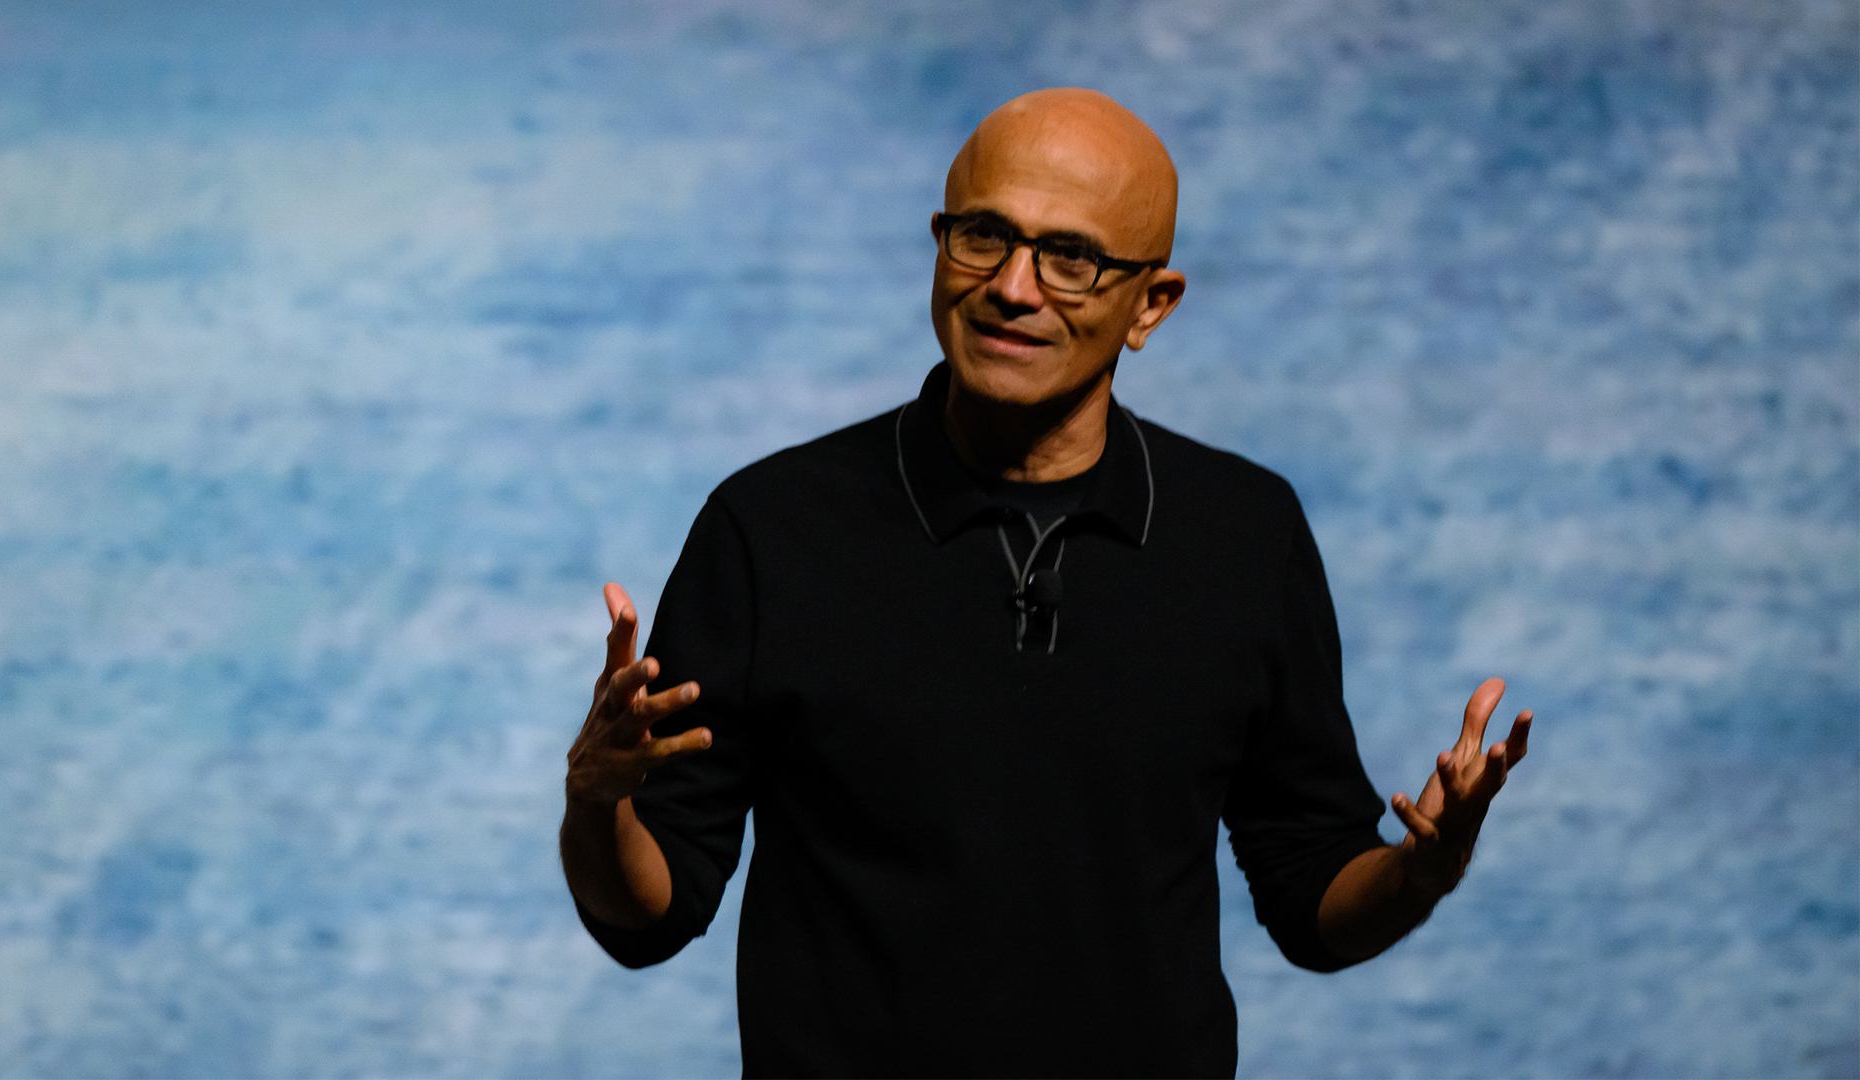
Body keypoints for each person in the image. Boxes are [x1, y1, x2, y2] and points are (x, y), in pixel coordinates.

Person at [560, 88, 1533, 1078]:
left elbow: (1313, 899)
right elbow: (652, 911)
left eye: (1072, 258)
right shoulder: (769, 529)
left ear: (1151, 305)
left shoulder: (1246, 534)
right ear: (939, 246)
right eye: (984, 235)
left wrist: (1421, 873)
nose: (1014, 288)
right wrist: (596, 804)